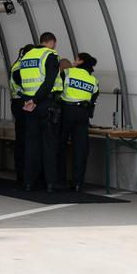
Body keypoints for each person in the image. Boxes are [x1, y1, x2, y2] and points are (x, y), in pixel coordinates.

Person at [16, 32, 61, 192]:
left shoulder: (27, 57)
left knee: (31, 144)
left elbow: (18, 78)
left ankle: (28, 182)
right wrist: (36, 101)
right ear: (51, 42)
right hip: (44, 103)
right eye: (55, 44)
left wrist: (28, 100)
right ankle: (50, 183)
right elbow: (49, 82)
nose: (55, 47)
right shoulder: (50, 55)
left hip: (28, 104)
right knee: (49, 144)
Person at [59, 53, 100, 191]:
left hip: (66, 112)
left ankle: (59, 181)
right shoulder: (93, 80)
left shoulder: (67, 73)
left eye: (76, 59)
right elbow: (93, 99)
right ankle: (77, 183)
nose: (74, 61)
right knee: (80, 150)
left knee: (60, 146)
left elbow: (57, 90)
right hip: (83, 115)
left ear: (81, 61)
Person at [8, 44, 34, 185]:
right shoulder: (21, 68)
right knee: (24, 141)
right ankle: (23, 174)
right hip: (22, 103)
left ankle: (23, 173)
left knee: (22, 140)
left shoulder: (18, 65)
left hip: (19, 103)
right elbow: (25, 86)